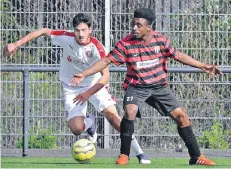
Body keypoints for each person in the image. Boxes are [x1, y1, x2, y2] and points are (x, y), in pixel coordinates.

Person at [71, 8, 222, 166]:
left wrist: (203, 66)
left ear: (148, 27)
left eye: (138, 25)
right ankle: (124, 154)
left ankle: (196, 156)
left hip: (158, 87)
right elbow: (105, 61)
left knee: (182, 116)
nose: (134, 28)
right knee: (130, 110)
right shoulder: (125, 43)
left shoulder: (160, 40)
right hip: (136, 86)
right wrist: (84, 74)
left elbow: (178, 55)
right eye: (133, 24)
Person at [3, 13, 151, 164]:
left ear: (90, 30)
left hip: (94, 85)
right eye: (77, 30)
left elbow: (105, 77)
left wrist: (87, 94)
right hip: (71, 87)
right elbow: (42, 31)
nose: (81, 34)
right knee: (77, 129)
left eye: (84, 30)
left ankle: (140, 153)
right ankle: (90, 125)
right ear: (73, 30)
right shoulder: (66, 38)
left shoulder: (97, 47)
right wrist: (16, 44)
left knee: (114, 119)